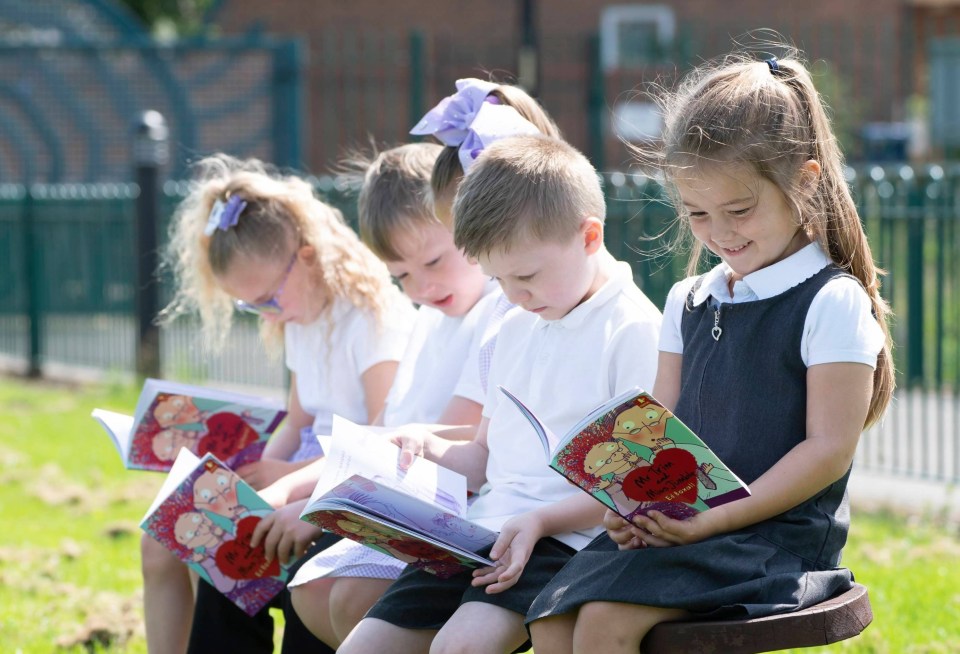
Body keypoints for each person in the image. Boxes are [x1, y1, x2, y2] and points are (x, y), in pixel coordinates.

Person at [525, 50, 895, 653]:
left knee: (605, 625)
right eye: (697, 213)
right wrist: (631, 506)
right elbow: (658, 429)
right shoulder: (686, 299)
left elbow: (829, 451)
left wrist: (717, 518)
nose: (720, 233)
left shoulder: (831, 301)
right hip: (690, 526)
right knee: (552, 620)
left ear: (805, 181)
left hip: (773, 540)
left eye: (739, 210)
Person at [337, 134, 663, 654]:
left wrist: (540, 520)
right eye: (498, 279)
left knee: (459, 649)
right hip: (477, 533)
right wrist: (424, 453)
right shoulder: (513, 324)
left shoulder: (635, 331)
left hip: (566, 541)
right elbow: (486, 455)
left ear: (589, 236)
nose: (513, 295)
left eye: (527, 275)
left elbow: (633, 484)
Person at [144, 154, 415, 654]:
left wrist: (289, 479)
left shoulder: (370, 319)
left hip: (350, 487)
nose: (267, 314)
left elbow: (383, 431)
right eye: (252, 307)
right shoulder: (298, 320)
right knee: (222, 550)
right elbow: (298, 418)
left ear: (308, 256)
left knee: (278, 557)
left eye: (268, 297)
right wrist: (262, 468)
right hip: (301, 478)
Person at [278, 141, 504, 647]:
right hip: (411, 499)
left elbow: (457, 443)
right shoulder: (429, 319)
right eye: (402, 275)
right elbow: (388, 428)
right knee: (312, 590)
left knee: (350, 594)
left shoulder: (498, 308)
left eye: (433, 261)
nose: (421, 287)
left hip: (467, 506)